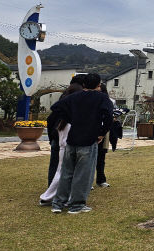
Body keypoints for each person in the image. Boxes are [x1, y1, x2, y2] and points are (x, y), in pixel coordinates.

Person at [50, 73, 113, 214]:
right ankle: (76, 205)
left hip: (72, 139)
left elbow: (56, 107)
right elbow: (109, 116)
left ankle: (58, 203)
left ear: (84, 84)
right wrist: (102, 132)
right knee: (83, 174)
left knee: (66, 172)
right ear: (99, 85)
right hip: (89, 139)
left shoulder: (74, 96)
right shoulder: (102, 98)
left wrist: (71, 118)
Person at [46, 79, 83, 187]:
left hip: (55, 139)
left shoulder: (60, 104)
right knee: (67, 168)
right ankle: (61, 191)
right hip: (68, 142)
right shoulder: (72, 109)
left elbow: (50, 120)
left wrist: (51, 138)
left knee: (54, 165)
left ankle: (51, 188)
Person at [40, 118, 71, 206]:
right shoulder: (68, 121)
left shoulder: (61, 121)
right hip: (65, 148)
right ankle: (52, 196)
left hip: (60, 145)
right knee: (62, 172)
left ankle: (51, 194)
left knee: (57, 170)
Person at [94, 83, 115, 188]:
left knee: (101, 157)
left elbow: (109, 118)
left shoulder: (108, 102)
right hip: (92, 132)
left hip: (103, 133)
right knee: (90, 158)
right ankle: (88, 181)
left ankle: (101, 179)